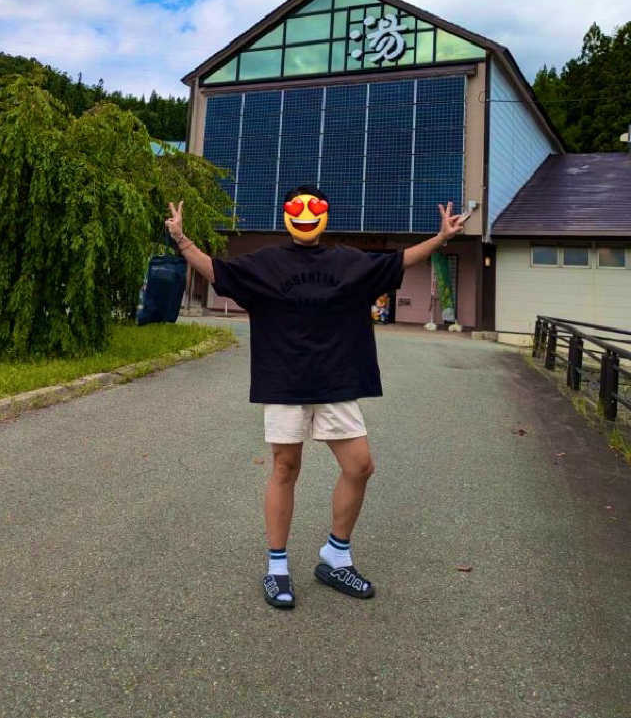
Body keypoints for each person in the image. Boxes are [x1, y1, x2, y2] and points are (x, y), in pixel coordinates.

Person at [165, 186, 469, 609]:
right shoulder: (266, 263)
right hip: (284, 381)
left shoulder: (348, 261)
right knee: (285, 467)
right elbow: (217, 271)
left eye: (314, 207)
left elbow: (397, 261)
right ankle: (276, 568)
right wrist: (181, 239)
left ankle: (335, 555)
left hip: (337, 381)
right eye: (297, 207)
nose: (305, 214)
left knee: (360, 465)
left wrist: (441, 239)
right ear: (286, 214)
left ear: (326, 215)